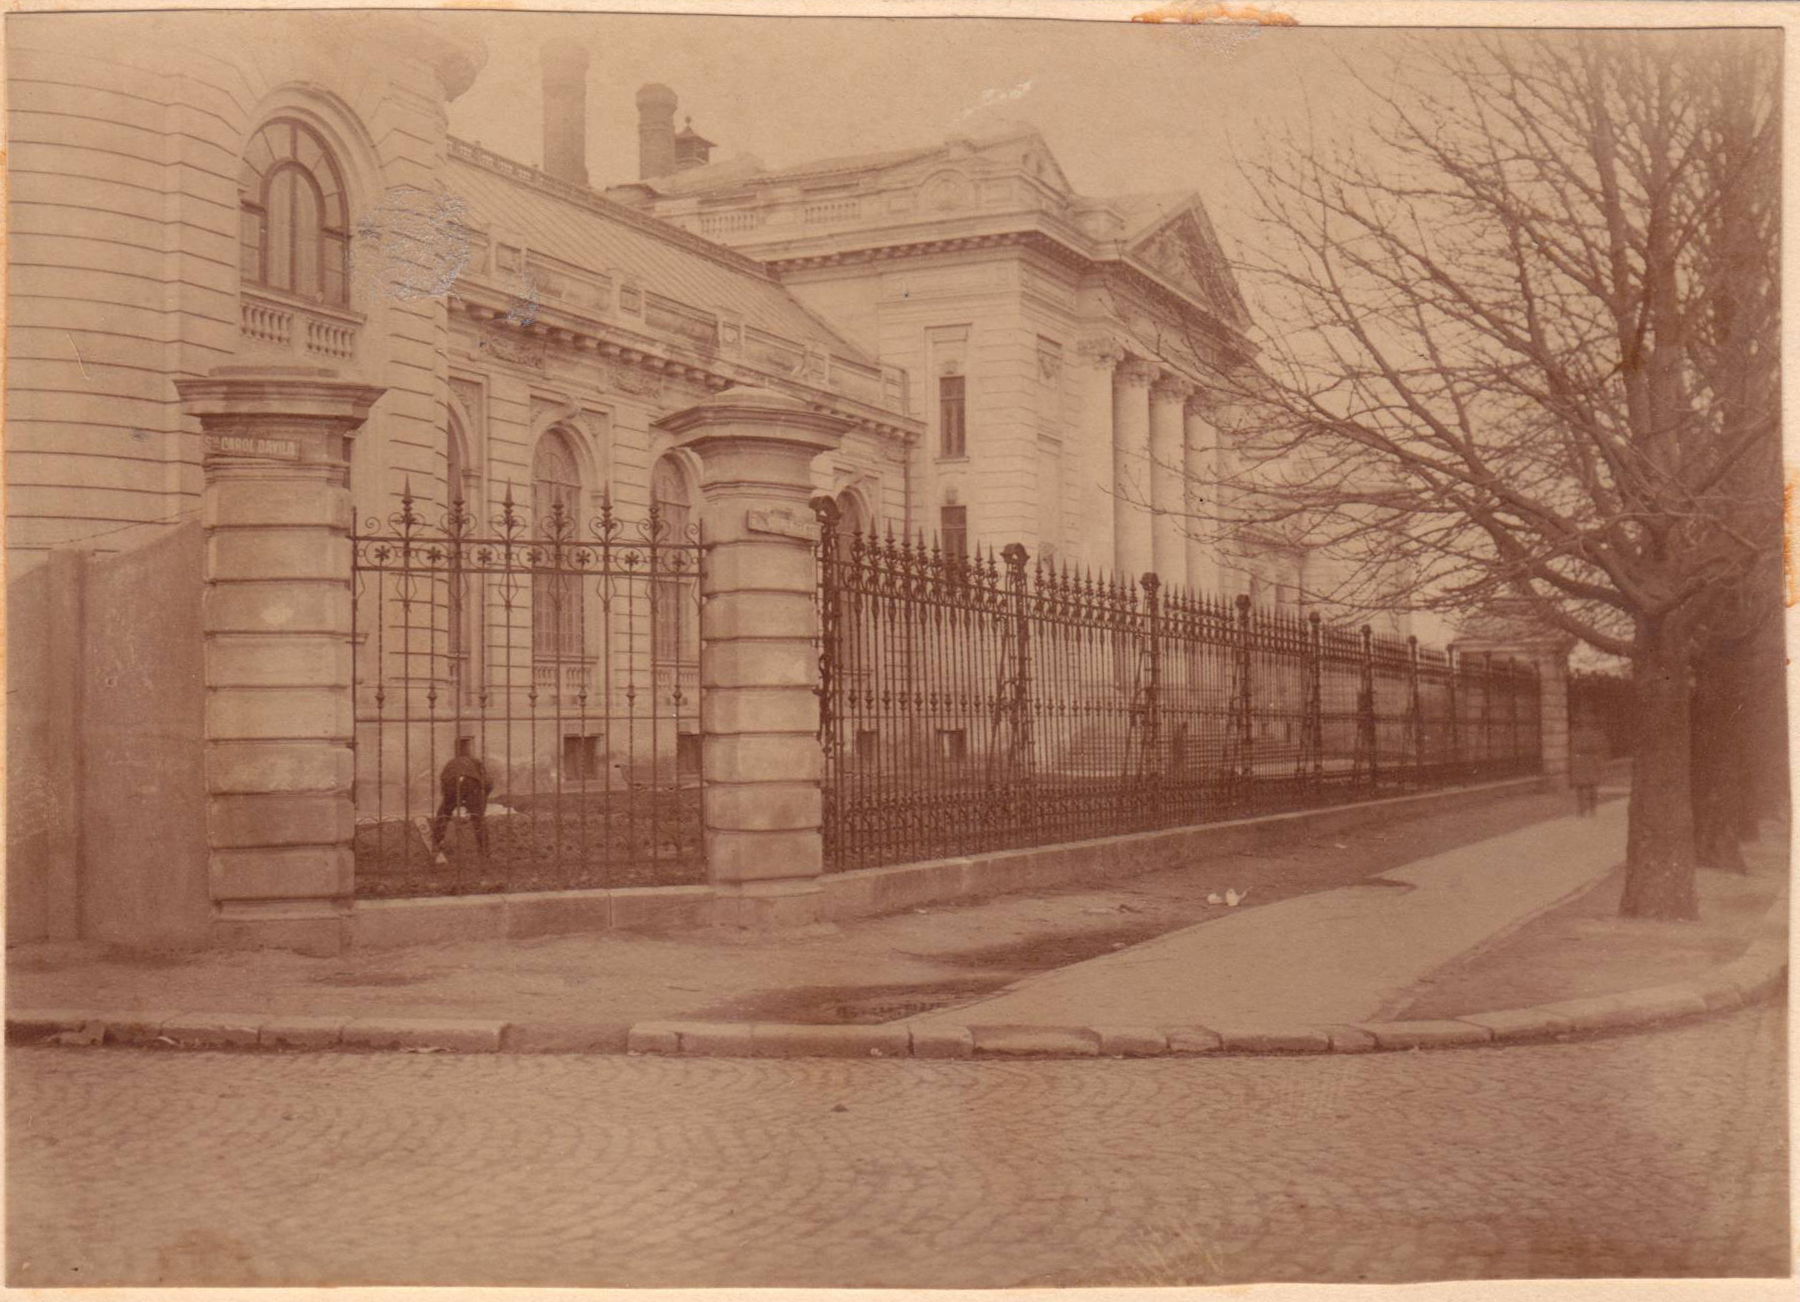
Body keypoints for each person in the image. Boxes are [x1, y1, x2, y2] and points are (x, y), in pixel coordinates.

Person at [431, 752, 493, 858]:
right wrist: (479, 808)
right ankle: (484, 852)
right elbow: (487, 784)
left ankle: (436, 844)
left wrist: (449, 802)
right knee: (478, 818)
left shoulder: (451, 762)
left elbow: (443, 784)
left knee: (444, 813)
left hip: (452, 782)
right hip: (471, 783)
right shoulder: (477, 763)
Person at [1568, 717, 1609, 817]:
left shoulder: (1573, 734)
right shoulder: (1595, 734)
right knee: (1592, 786)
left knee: (1581, 787)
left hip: (1580, 761)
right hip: (1590, 761)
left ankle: (1582, 810)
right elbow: (1599, 748)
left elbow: (1572, 747)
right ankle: (1592, 809)